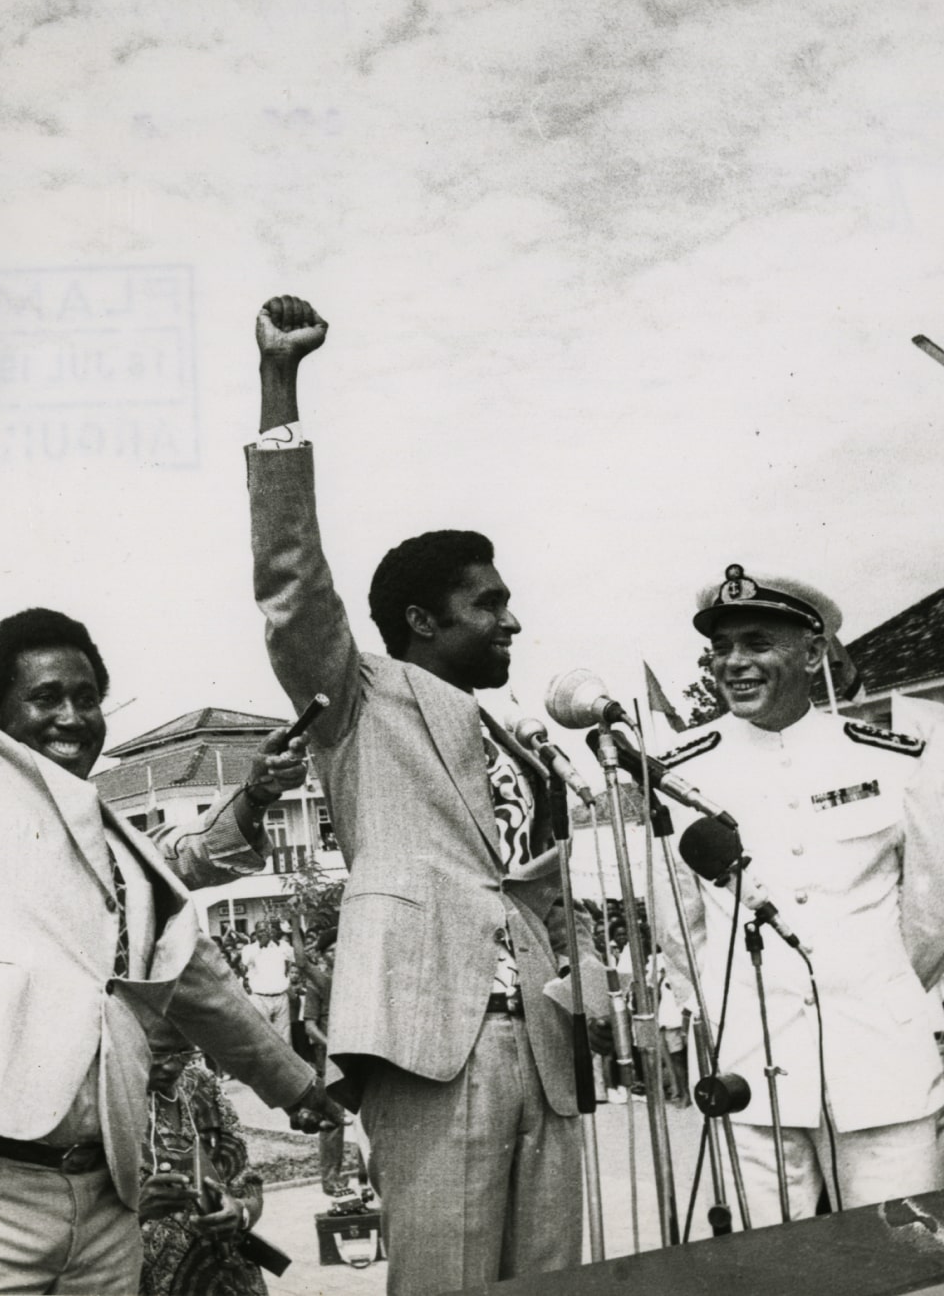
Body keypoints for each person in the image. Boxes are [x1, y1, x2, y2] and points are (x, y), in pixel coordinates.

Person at [0, 354, 340, 1294]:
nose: (71, 717)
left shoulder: (128, 850)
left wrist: (299, 1091)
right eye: (45, 697)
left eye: (87, 697)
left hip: (106, 1199)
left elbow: (205, 990)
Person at [245, 296, 594, 1293]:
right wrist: (281, 387)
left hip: (544, 1049)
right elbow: (289, 580)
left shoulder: (516, 741)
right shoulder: (359, 695)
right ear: (420, 620)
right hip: (436, 1045)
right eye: (488, 604)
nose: (513, 621)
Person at [659, 564, 944, 1222]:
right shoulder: (681, 772)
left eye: (756, 643)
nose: (734, 664)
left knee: (899, 1259)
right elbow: (679, 929)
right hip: (750, 1068)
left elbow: (938, 915)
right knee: (769, 1273)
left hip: (880, 1062)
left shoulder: (887, 760)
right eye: (721, 649)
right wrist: (735, 1008)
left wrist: (870, 990)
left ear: (813, 650)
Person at [139, 1035, 267, 1296]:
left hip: (226, 1278)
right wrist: (138, 1210)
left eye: (184, 1053)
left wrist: (240, 1213)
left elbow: (247, 1183)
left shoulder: (202, 1086)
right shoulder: (101, 1101)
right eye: (159, 1054)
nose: (173, 1067)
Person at [293, 925, 348, 1194]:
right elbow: (310, 1027)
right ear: (323, 956)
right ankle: (331, 1179)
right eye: (331, 951)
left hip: (359, 1055)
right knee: (333, 1118)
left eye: (340, 949)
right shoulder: (320, 984)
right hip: (331, 1058)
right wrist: (333, 1044)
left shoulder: (355, 981)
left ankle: (367, 1176)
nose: (337, 955)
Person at [241, 924, 293, 1042]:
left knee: (284, 1038)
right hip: (260, 998)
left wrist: (276, 941)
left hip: (281, 997)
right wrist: (261, 944)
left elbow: (292, 956)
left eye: (268, 930)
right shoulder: (249, 948)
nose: (265, 933)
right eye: (261, 931)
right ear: (255, 933)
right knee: (262, 1035)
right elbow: (246, 960)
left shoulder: (282, 945)